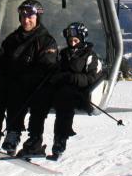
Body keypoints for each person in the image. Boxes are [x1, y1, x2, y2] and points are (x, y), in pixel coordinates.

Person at [0, 0, 58, 154]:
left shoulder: (45, 41)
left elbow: (46, 67)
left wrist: (23, 75)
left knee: (17, 88)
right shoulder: (12, 39)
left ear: (37, 17)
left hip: (31, 84)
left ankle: (13, 133)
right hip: (9, 81)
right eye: (23, 16)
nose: (26, 20)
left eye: (30, 16)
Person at [20, 22, 102, 159]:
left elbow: (91, 78)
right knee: (40, 96)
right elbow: (54, 69)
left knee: (65, 97)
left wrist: (71, 77)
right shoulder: (63, 54)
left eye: (75, 40)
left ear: (82, 39)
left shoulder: (90, 56)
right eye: (70, 40)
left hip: (77, 92)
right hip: (57, 88)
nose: (72, 43)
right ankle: (34, 138)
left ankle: (60, 139)